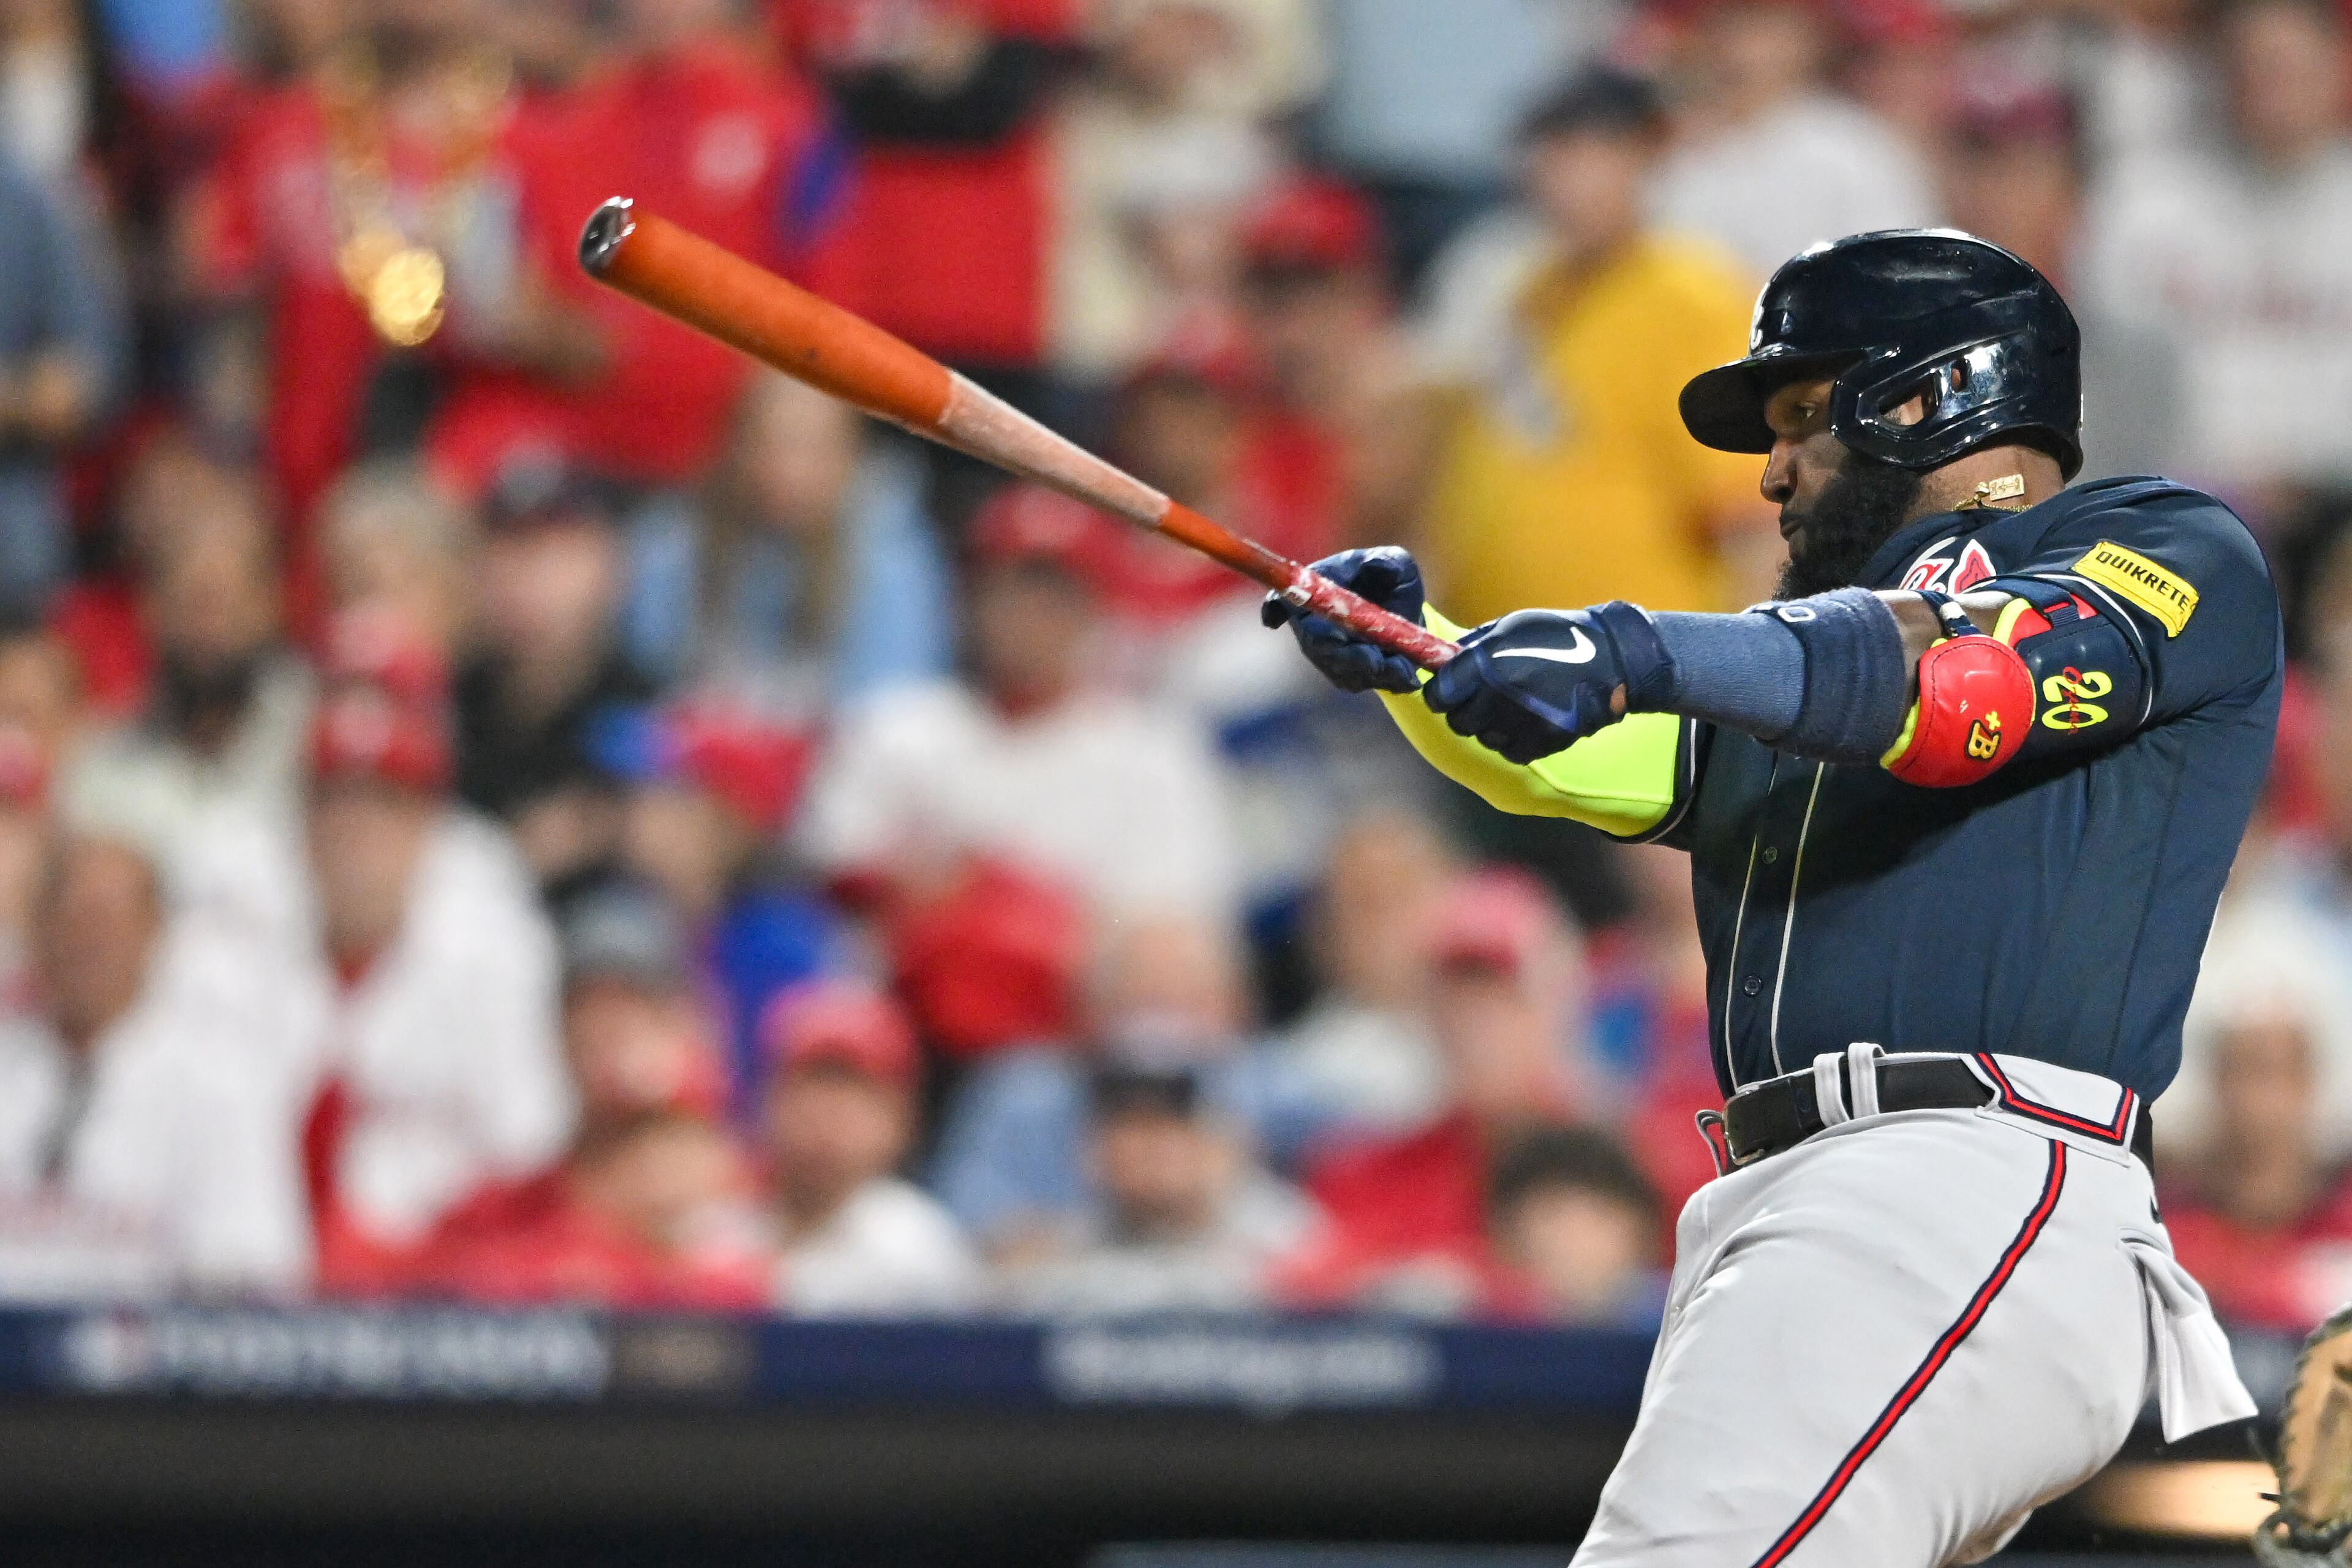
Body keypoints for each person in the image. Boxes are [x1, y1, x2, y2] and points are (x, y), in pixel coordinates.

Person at [1268, 228, 2273, 1562]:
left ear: (1934, 396)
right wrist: (1424, 656)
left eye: (1806, 415)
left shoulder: (2158, 541)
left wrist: (1626, 645)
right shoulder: (1797, 666)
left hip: (1967, 1172)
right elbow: (1611, 750)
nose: (1773, 467)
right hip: (1817, 1199)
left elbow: (1966, 687)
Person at [1415, 68, 1774, 628]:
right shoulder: (1532, 293)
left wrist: (1746, 684)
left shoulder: (1690, 294)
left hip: (1647, 673)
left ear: (1643, 158)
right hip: (1508, 665)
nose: (1559, 178)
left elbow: (1753, 516)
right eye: (1550, 155)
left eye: (1585, 154)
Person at [797, 483, 1240, 925]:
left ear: (1096, 609)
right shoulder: (894, 727)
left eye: (1054, 596)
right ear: (969, 598)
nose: (1029, 615)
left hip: (1077, 985)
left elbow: (1173, 924)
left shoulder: (1152, 752)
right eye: (1010, 589)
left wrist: (1010, 904)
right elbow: (824, 865)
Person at [0, 834, 311, 1298]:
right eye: (71, 919)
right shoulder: (12, 1062)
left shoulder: (219, 1084)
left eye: (109, 923)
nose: (88, 945)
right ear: (36, 930)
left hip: (155, 1360)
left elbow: (250, 1275)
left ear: (154, 932)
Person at [2073, 0, 2352, 507]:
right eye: (2249, 64)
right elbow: (2111, 385)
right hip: (2178, 502)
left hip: (2336, 504)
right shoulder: (2141, 202)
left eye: (2286, 66)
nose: (2268, 86)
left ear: (2337, 66)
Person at [1279, 869, 1589, 1314]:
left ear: (1558, 1005)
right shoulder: (1366, 1174)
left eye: (1500, 999)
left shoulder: (1627, 1165)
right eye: (1453, 1002)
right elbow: (1304, 1291)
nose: (1473, 1027)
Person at [1648, 1, 1940, 281]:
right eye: (1732, 24)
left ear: (1808, 38)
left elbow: (1901, 275)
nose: (1747, 47)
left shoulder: (1858, 151)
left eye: (1768, 27)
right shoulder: (1678, 157)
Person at [1000, 1061, 1317, 1316]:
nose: (1140, 1149)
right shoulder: (1057, 1248)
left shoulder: (1290, 1238)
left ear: (1221, 1145)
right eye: (1123, 1128)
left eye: (1164, 1128)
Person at [758, 980, 979, 1317]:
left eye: (851, 1101)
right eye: (809, 1091)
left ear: (901, 1120)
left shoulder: (916, 1245)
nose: (823, 1119)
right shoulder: (712, 1233)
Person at [1482, 1125, 1666, 1329]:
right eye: (1552, 1214)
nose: (1576, 1239)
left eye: (1598, 1216)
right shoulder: (1478, 1320)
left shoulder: (1683, 1320)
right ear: (1505, 1235)